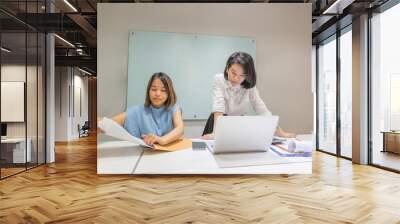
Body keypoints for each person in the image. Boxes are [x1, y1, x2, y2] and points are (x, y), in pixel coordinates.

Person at [202, 52, 295, 139]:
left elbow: (261, 108)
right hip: (219, 121)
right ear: (227, 68)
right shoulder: (219, 79)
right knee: (208, 150)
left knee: (238, 152)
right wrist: (216, 132)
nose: (236, 78)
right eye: (233, 73)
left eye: (242, 75)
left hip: (238, 122)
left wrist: (280, 132)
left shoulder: (249, 85)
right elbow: (219, 106)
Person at [104, 72, 184, 146]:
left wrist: (162, 140)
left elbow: (180, 129)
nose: (158, 93)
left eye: (163, 90)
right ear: (148, 91)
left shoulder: (174, 109)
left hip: (169, 155)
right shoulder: (136, 111)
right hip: (142, 156)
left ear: (169, 93)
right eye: (153, 89)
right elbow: (108, 123)